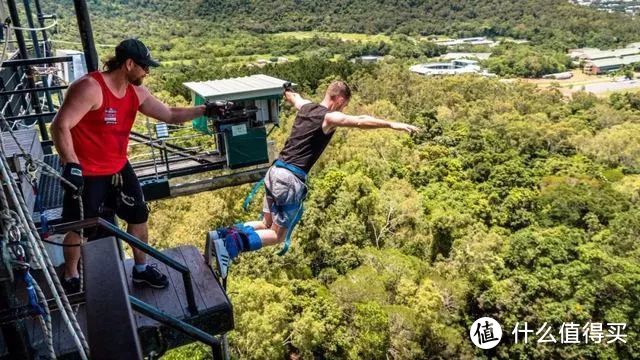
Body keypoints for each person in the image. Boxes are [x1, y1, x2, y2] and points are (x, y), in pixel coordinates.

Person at [50, 38, 226, 293]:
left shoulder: (136, 93)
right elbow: (60, 125)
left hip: (119, 167)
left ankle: (141, 270)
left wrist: (205, 110)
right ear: (129, 64)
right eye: (144, 66)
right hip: (87, 172)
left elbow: (170, 114)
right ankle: (71, 274)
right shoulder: (91, 88)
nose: (147, 72)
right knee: (81, 227)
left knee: (138, 216)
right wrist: (71, 164)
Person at [206, 80, 419, 278]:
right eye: (344, 106)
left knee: (265, 222)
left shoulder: (306, 107)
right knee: (276, 235)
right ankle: (231, 245)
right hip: (289, 180)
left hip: (274, 173)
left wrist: (285, 90)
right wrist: (392, 124)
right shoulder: (329, 117)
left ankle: (221, 235)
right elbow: (360, 121)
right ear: (341, 100)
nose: (343, 110)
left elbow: (294, 97)